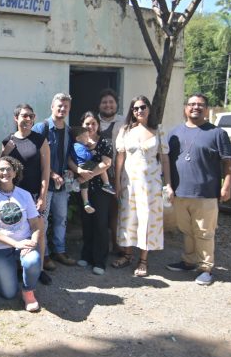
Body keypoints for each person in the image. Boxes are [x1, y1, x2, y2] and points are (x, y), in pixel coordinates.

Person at [166, 93, 231, 286]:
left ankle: (206, 268)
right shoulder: (174, 133)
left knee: (204, 232)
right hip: (181, 192)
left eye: (200, 105)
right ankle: (188, 261)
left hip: (206, 193)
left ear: (206, 109)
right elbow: (166, 161)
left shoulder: (217, 133)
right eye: (192, 104)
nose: (196, 107)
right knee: (187, 230)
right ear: (185, 108)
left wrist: (226, 186)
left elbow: (228, 163)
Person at [113, 95, 171, 278]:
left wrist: (168, 183)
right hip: (129, 182)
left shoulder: (158, 130)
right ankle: (128, 255)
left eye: (143, 107)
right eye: (135, 108)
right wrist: (117, 183)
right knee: (128, 218)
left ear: (149, 109)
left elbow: (165, 157)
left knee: (147, 220)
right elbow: (120, 157)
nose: (139, 111)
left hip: (151, 184)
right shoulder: (125, 131)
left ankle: (143, 260)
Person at [1, 104, 52, 284]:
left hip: (34, 194)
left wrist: (43, 196)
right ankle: (19, 267)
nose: (28, 119)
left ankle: (40, 269)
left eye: (31, 116)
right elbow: (1, 168)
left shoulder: (40, 140)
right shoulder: (8, 140)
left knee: (39, 231)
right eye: (24, 116)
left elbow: (46, 169)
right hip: (12, 195)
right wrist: (3, 153)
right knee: (15, 231)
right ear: (16, 118)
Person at [0, 157, 42, 312]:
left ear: (15, 172)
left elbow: (35, 224)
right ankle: (0, 274)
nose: (5, 172)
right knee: (8, 294)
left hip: (24, 244)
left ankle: (28, 291)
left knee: (33, 260)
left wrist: (32, 242)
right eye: (1, 169)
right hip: (0, 248)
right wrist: (16, 244)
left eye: (9, 169)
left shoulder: (25, 195)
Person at [31, 93, 76, 267]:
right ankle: (45, 254)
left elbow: (69, 156)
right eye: (59, 105)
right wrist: (51, 174)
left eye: (66, 106)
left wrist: (70, 172)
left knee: (61, 218)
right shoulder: (40, 128)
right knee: (44, 219)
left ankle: (60, 251)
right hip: (45, 184)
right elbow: (34, 157)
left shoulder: (68, 131)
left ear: (69, 108)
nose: (62, 109)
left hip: (63, 185)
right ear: (52, 106)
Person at [69, 112, 114, 275]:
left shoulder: (105, 142)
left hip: (101, 189)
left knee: (100, 224)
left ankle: (100, 261)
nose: (91, 127)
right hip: (84, 189)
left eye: (94, 123)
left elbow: (106, 163)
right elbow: (70, 160)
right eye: (87, 124)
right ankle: (86, 255)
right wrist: (79, 171)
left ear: (98, 125)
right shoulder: (78, 142)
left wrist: (87, 175)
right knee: (86, 222)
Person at [97, 88, 124, 255]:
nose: (108, 105)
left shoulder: (125, 123)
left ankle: (117, 244)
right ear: (99, 105)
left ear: (116, 105)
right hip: (96, 175)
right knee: (99, 213)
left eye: (111, 102)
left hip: (117, 175)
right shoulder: (93, 122)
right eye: (104, 102)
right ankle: (100, 246)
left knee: (116, 212)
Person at [70, 125, 114, 214]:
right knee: (101, 166)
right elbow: (84, 156)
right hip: (84, 165)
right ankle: (106, 184)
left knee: (84, 187)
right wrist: (91, 153)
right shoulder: (77, 146)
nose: (88, 138)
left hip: (81, 166)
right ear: (78, 138)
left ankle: (86, 203)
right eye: (86, 137)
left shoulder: (78, 145)